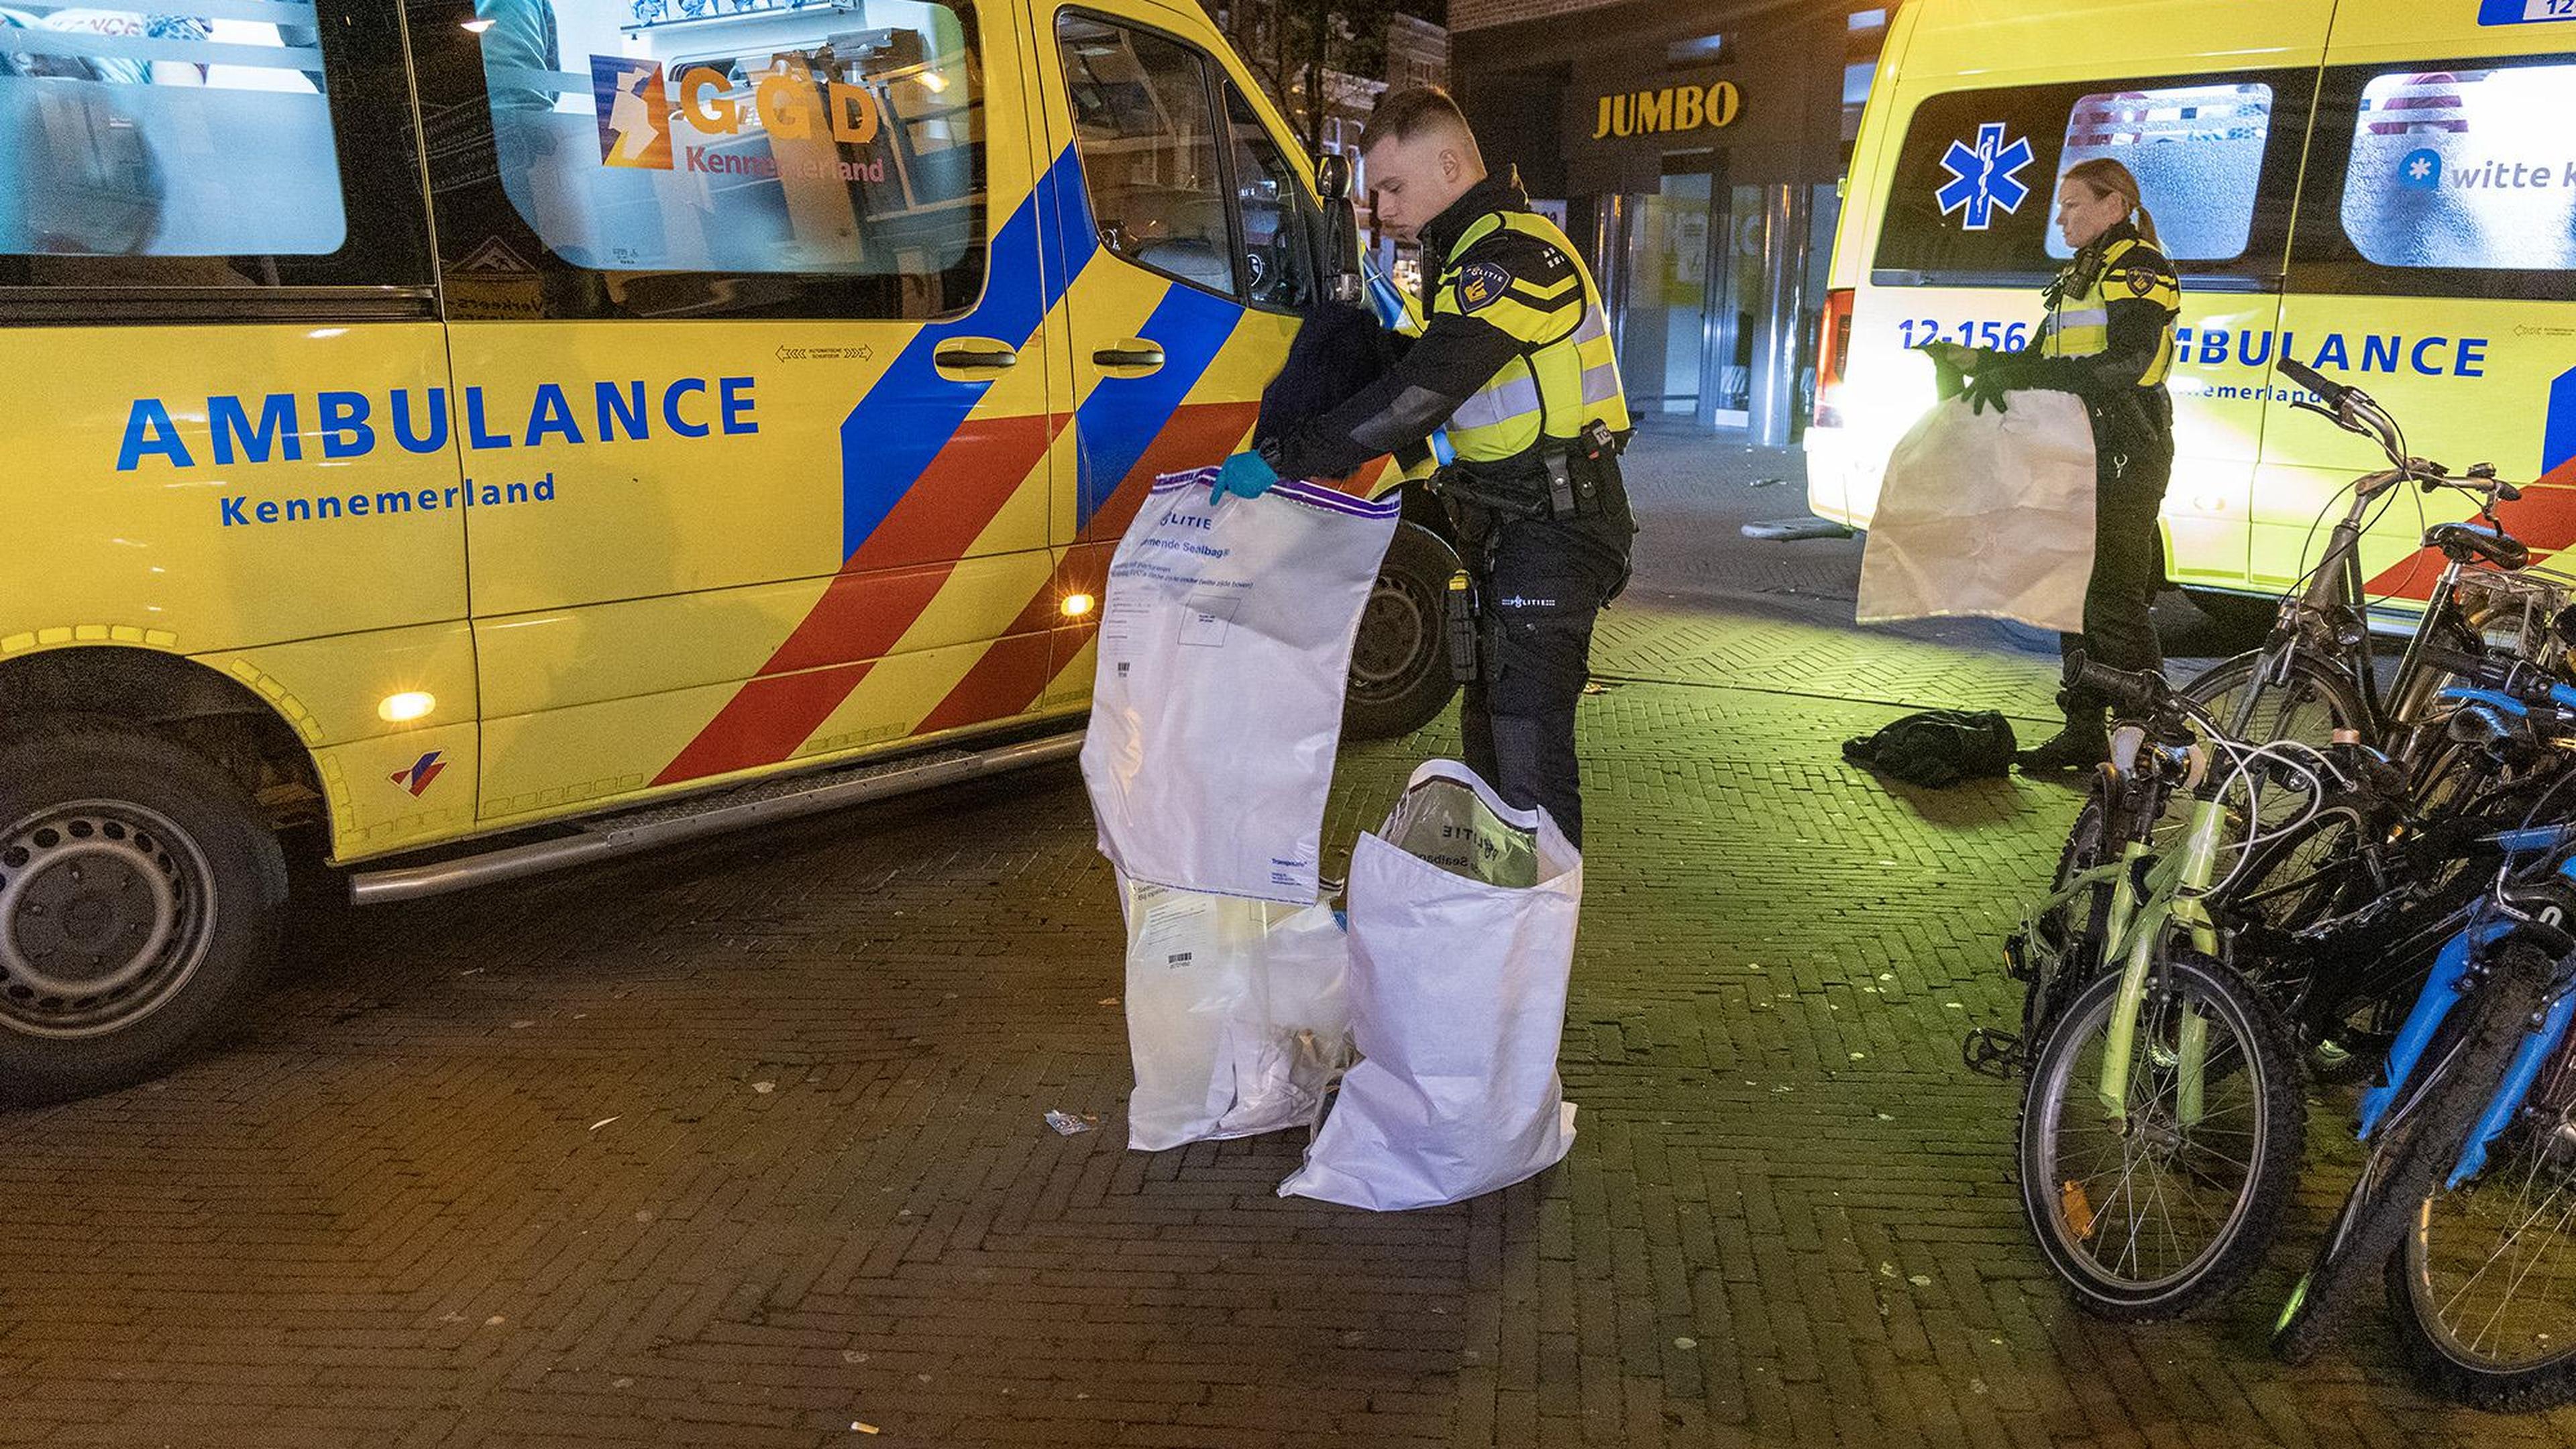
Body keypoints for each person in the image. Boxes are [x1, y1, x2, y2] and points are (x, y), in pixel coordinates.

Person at [1210, 87, 1634, 846]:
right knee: (1493, 746)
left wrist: (1286, 460)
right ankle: (1500, 930)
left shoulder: (1514, 260)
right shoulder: (1465, 265)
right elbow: (1426, 403)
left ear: (1449, 164)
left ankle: (1536, 944)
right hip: (1514, 528)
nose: (1382, 210)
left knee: (1526, 756)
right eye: (1374, 193)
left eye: (1394, 188)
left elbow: (1419, 398)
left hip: (1555, 531)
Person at [1949, 158, 2180, 771]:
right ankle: (2084, 731)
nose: (2061, 217)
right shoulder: (2084, 270)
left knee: (2113, 593)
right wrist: (1983, 363)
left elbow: (2127, 361)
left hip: (2126, 441)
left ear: (2115, 205)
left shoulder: (2137, 267)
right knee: (2070, 590)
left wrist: (2025, 374)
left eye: (2073, 204)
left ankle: (2149, 737)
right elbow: (2044, 356)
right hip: (2078, 441)